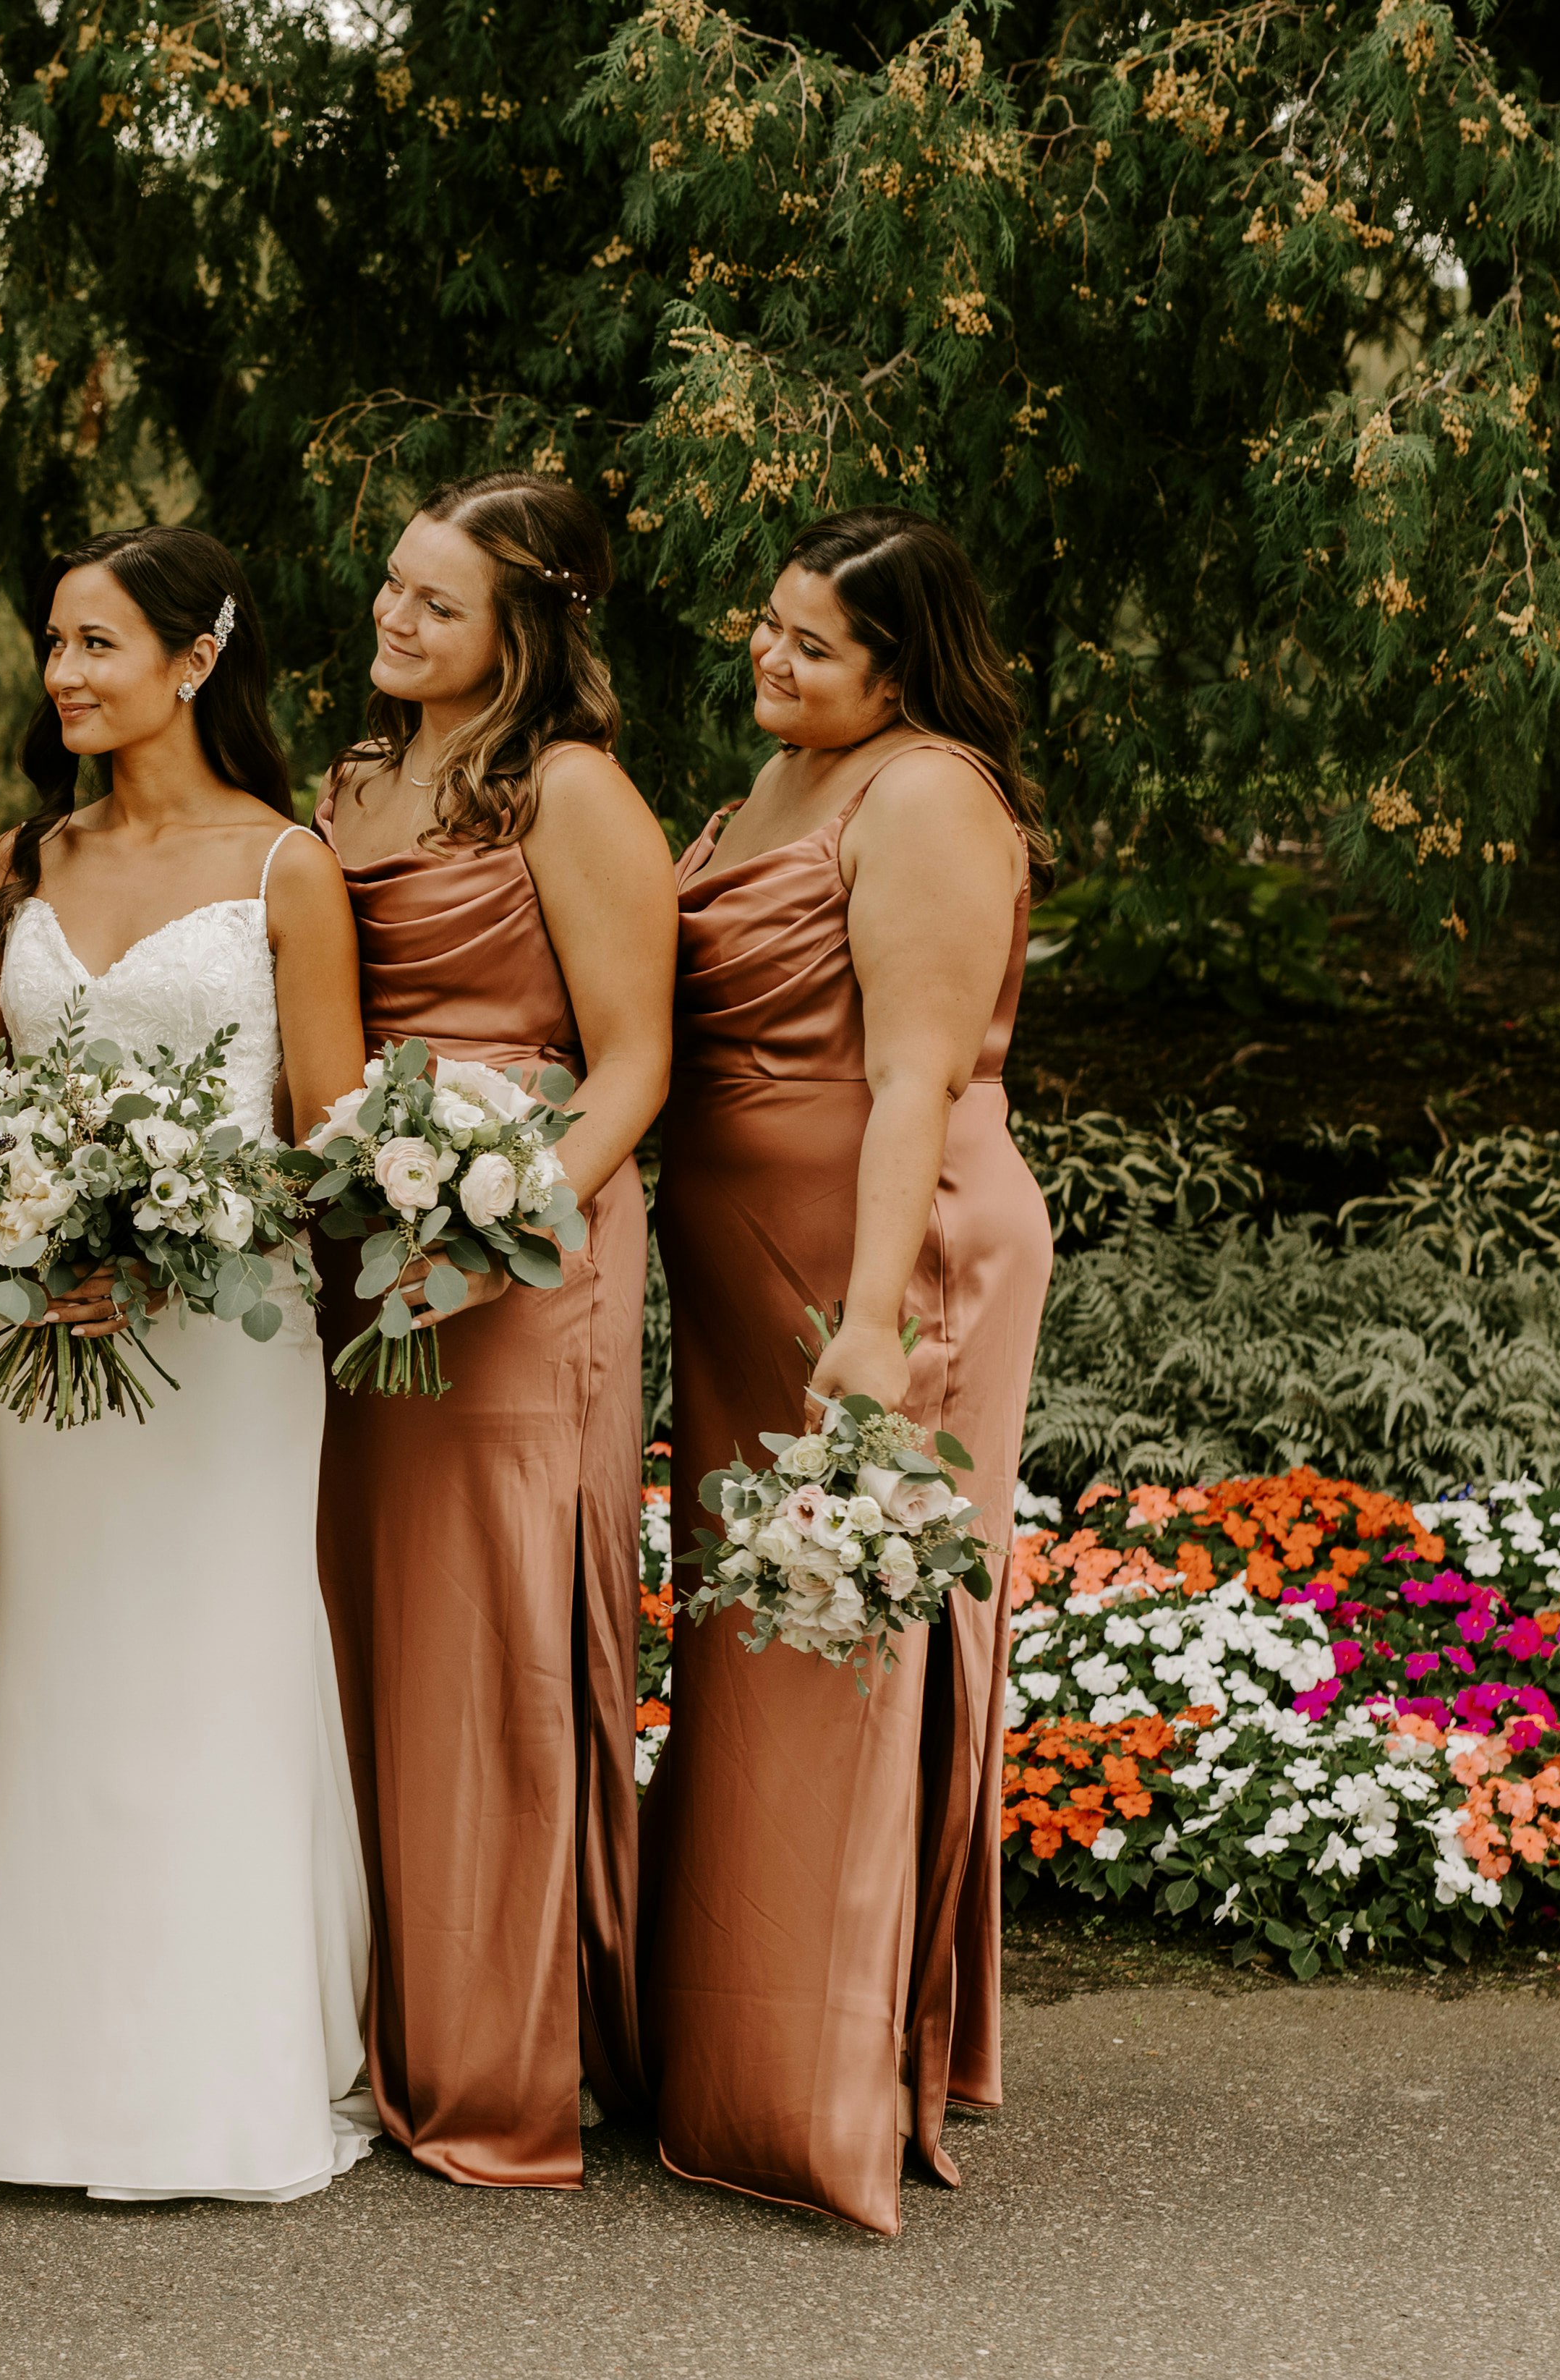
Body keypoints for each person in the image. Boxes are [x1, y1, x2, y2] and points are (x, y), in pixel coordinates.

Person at [0, 524, 375, 2203]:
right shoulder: (20, 861)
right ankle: (50, 2076)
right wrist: (30, 1239)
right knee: (68, 1660)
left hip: (225, 1337)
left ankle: (223, 2073)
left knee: (219, 1664)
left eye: (98, 642)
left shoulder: (286, 867)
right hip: (43, 1333)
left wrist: (170, 1231)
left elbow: (325, 1131)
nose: (63, 673)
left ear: (194, 660)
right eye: (54, 639)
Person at [637, 506, 1055, 2235]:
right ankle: (722, 2035)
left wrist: (875, 1319)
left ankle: (825, 2070)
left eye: (812, 642)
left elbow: (910, 1077)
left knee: (848, 1628)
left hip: (892, 1258)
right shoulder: (755, 796)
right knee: (754, 1627)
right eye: (767, 623)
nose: (770, 655)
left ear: (897, 668)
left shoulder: (926, 796)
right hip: (750, 1275)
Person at [312, 474, 675, 2190]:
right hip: (365, 1250)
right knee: (370, 1618)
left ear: (518, 634)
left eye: (434, 605)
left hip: (527, 1263)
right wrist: (376, 1211)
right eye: (390, 588)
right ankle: (382, 2015)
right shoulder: (349, 788)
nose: (394, 619)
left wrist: (497, 1216)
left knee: (501, 1630)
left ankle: (506, 2050)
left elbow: (630, 1066)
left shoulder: (573, 795)